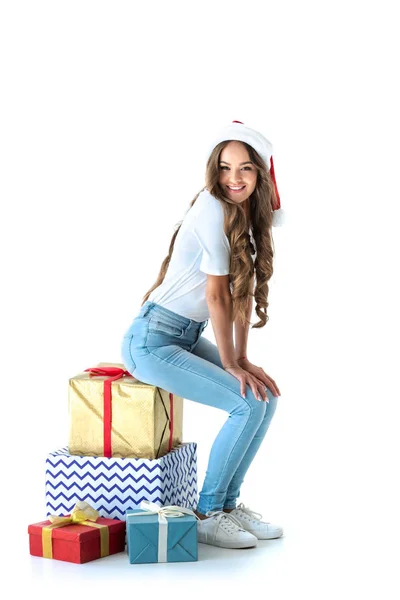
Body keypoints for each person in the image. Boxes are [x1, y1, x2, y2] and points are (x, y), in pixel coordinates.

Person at [121, 120, 284, 550]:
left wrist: (244, 360)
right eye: (226, 167)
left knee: (264, 397)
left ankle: (227, 506)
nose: (235, 178)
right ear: (214, 171)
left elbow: (241, 297)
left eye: (246, 168)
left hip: (184, 337)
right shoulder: (211, 207)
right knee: (245, 404)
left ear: (259, 176)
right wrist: (230, 364)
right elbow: (216, 296)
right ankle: (209, 512)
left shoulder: (247, 218)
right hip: (151, 341)